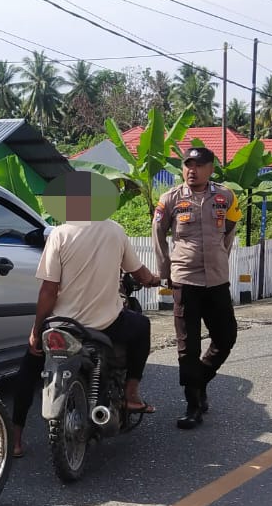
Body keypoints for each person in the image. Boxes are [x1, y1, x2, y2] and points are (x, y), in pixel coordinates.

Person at [10, 171, 160, 457]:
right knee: (142, 327)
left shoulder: (59, 234)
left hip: (63, 325)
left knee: (28, 369)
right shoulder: (114, 231)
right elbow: (139, 273)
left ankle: (15, 439)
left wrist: (36, 330)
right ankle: (131, 394)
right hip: (107, 324)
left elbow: (48, 291)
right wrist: (152, 279)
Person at [152, 146, 242, 430]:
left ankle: (199, 380)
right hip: (185, 281)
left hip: (217, 280)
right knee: (187, 346)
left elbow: (229, 231)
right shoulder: (170, 199)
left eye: (199, 165)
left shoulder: (226, 196)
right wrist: (165, 272)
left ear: (211, 169)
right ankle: (193, 405)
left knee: (226, 337)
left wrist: (220, 257)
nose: (192, 170)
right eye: (188, 165)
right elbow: (158, 234)